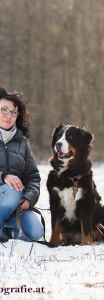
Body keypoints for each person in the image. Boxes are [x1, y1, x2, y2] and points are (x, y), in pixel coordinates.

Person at [0, 87, 44, 242]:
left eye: (13, 112)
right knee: (12, 190)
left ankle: (5, 228)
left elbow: (33, 176)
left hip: (15, 203)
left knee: (36, 232)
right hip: (7, 194)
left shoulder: (23, 143)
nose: (8, 115)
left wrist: (29, 199)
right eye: (3, 110)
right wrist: (3, 177)